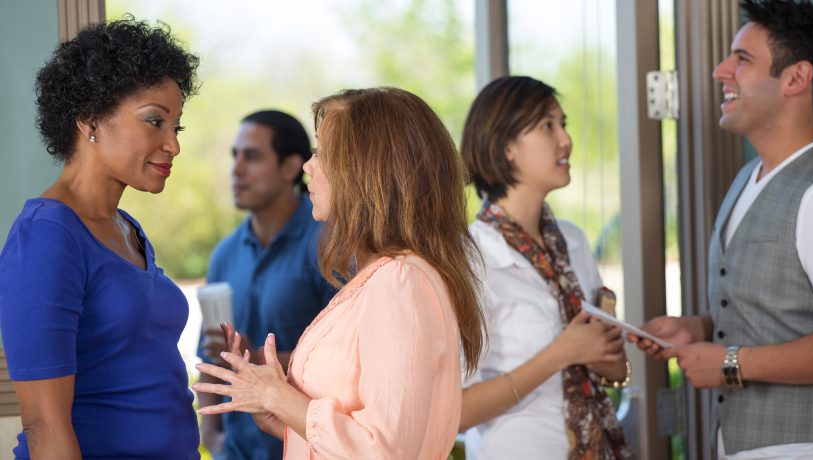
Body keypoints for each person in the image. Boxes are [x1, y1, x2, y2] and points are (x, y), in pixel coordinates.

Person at [633, 1, 813, 458]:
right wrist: (699, 328)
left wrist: (731, 363)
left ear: (796, 78)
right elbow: (777, 308)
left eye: (742, 59)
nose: (721, 71)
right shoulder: (749, 178)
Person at [192, 87, 485, 459]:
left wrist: (277, 395)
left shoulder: (398, 282)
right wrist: (282, 418)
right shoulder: (384, 277)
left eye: (321, 152)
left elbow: (384, 451)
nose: (308, 167)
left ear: (365, 170)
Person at [0, 18, 200, 459]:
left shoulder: (127, 229)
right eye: (155, 121)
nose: (173, 145)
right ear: (89, 118)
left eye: (176, 127)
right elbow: (44, 425)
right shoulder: (46, 237)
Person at [457, 75, 632, 459]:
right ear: (506, 147)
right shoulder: (472, 257)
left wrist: (606, 348)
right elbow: (458, 412)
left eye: (563, 124)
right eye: (547, 126)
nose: (565, 140)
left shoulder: (573, 241)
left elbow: (617, 373)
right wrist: (560, 353)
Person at [197, 110, 337, 459]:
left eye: (252, 156)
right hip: (234, 452)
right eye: (235, 156)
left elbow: (345, 361)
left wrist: (254, 357)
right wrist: (212, 437)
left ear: (290, 167)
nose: (237, 169)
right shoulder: (224, 254)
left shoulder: (330, 245)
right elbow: (210, 354)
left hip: (307, 448)